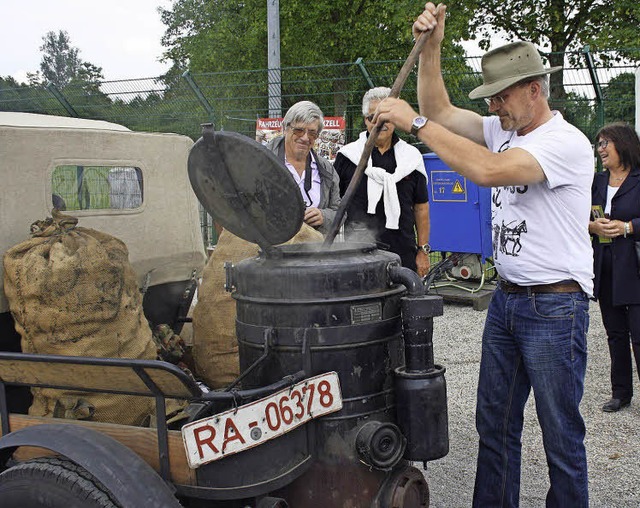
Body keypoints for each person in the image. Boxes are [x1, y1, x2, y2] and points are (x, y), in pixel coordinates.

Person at [374, 4, 594, 507]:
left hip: (555, 306)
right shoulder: (505, 129)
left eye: (503, 96)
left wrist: (415, 121)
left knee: (561, 435)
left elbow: (490, 171)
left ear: (535, 89)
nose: (495, 107)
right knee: (493, 425)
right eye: (491, 98)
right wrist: (433, 44)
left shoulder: (565, 143)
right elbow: (442, 107)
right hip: (508, 301)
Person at [333, 87, 431, 277]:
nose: (380, 124)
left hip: (402, 250)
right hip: (357, 250)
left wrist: (423, 251)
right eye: (373, 117)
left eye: (386, 118)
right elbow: (333, 203)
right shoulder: (348, 156)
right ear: (365, 121)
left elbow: (421, 207)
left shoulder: (411, 158)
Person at [589, 122, 640, 412]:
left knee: (639, 334)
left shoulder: (639, 179)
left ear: (624, 144)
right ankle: (621, 393)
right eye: (599, 144)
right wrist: (591, 225)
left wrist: (628, 227)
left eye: (606, 142)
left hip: (634, 267)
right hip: (605, 265)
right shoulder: (596, 182)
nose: (601, 149)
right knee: (615, 332)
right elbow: (577, 214)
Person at [266, 101, 341, 235]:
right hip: (270, 249)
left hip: (311, 250)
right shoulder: (263, 161)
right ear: (285, 128)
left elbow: (339, 212)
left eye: (312, 133)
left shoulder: (326, 169)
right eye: (299, 131)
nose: (305, 138)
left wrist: (324, 216)